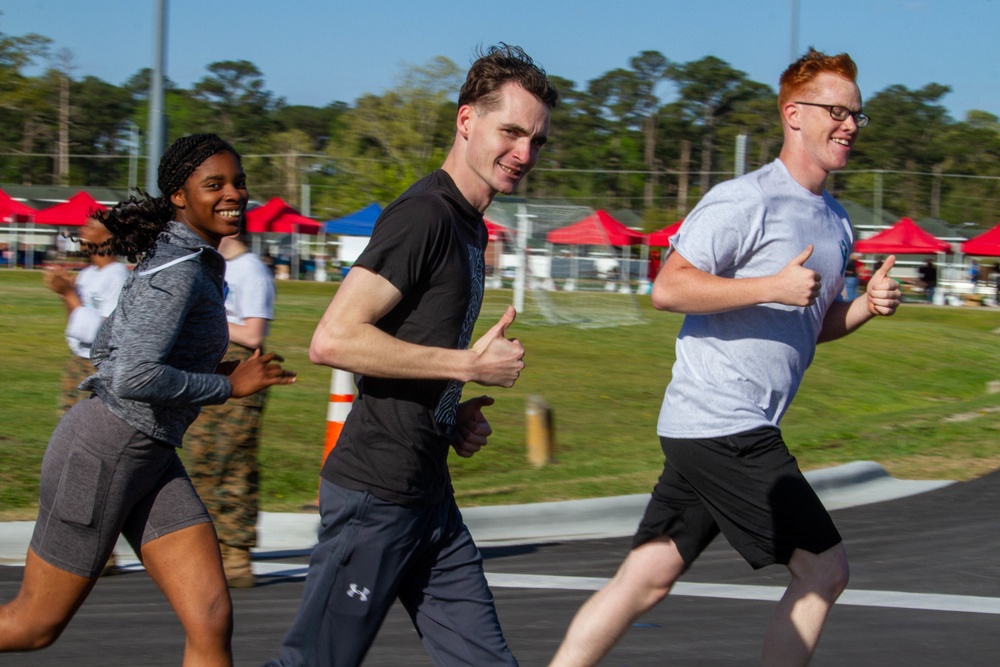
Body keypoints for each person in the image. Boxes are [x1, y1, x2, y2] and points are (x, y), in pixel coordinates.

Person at [550, 49, 901, 667]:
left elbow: (810, 326)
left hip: (711, 428)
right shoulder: (746, 200)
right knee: (826, 569)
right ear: (794, 114)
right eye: (836, 112)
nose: (849, 125)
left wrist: (866, 306)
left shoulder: (838, 222)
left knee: (647, 578)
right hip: (725, 421)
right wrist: (769, 285)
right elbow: (668, 288)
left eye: (857, 115)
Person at [267, 44, 557, 667]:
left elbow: (415, 342)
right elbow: (334, 339)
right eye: (511, 131)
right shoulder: (424, 215)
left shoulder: (470, 226)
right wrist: (467, 367)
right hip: (375, 494)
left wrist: (451, 415)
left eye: (536, 140)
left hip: (428, 494)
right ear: (466, 121)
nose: (524, 154)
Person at [0, 133, 296, 665]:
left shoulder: (186, 259)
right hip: (102, 455)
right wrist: (227, 385)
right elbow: (132, 378)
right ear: (180, 195)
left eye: (238, 181)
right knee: (32, 626)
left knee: (210, 618)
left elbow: (110, 351)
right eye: (215, 184)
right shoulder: (178, 270)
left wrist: (211, 369)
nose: (235, 193)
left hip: (149, 456)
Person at [183, 227, 276, 589]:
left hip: (242, 367)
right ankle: (210, 546)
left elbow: (253, 334)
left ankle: (237, 550)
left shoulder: (251, 270)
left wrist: (204, 313)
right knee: (201, 458)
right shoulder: (207, 265)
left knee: (233, 461)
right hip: (205, 365)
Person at [44, 216, 131, 576]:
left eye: (90, 226)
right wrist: (70, 293)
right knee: (70, 454)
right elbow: (75, 324)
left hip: (99, 370)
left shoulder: (119, 278)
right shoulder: (88, 276)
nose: (81, 231)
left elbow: (105, 334)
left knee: (92, 460)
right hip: (77, 364)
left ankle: (100, 548)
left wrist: (68, 294)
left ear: (109, 237)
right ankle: (85, 544)